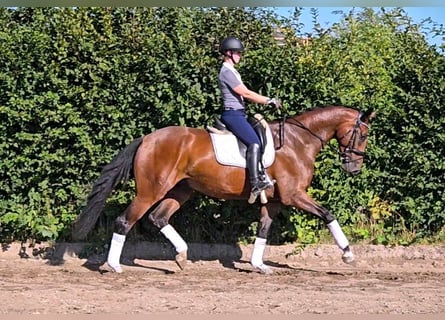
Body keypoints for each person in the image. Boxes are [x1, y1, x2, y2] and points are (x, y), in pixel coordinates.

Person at [218, 36, 281, 197]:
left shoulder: (233, 71)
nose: (239, 55)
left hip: (239, 113)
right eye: (237, 53)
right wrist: (268, 101)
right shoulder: (226, 71)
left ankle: (260, 174)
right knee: (254, 142)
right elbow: (245, 93)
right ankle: (255, 183)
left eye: (240, 53)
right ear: (228, 53)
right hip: (232, 114)